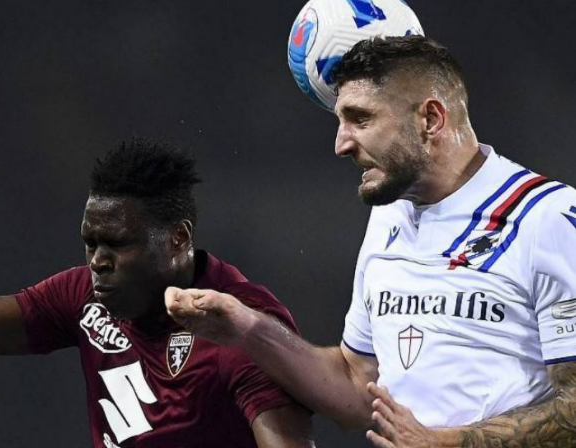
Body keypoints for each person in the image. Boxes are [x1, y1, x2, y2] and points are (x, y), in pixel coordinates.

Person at [166, 36, 576, 447]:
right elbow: (358, 384)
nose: (341, 144)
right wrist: (248, 328)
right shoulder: (389, 216)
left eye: (360, 120)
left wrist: (448, 443)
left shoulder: (548, 218)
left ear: (431, 119)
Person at [0, 138, 314, 448]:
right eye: (90, 243)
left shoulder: (243, 329)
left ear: (178, 238)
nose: (97, 261)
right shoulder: (83, 296)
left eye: (117, 244)